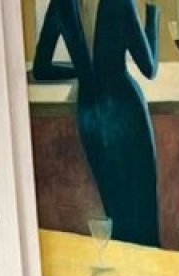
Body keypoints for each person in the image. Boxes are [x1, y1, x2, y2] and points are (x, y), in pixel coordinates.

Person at [33, 0, 163, 249]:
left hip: (90, 115)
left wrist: (84, 71)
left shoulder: (61, 4)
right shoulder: (120, 3)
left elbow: (41, 69)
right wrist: (152, 11)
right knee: (144, 215)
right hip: (127, 114)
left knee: (115, 213)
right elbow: (149, 68)